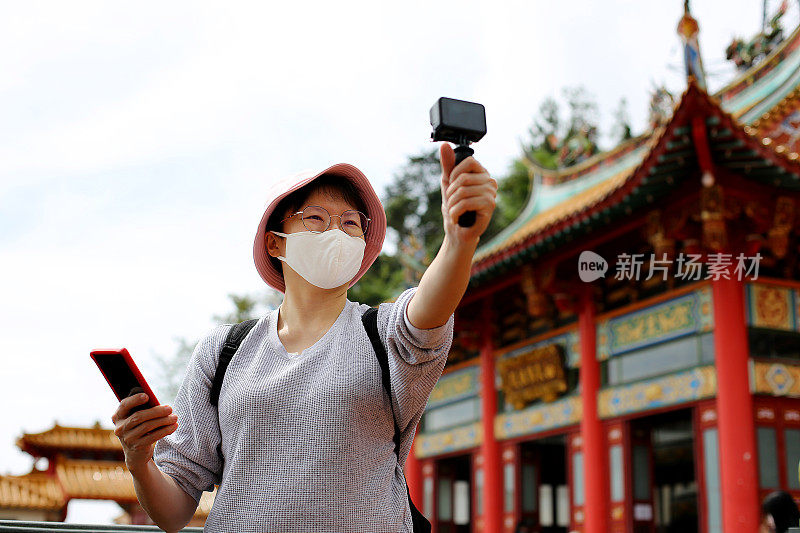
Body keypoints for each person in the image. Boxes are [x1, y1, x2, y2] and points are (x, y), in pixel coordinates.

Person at [110, 143, 497, 532]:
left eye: (350, 223)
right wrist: (140, 462)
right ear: (274, 241)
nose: (336, 232)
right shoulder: (224, 351)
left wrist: (458, 240)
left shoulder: (383, 335)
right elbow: (174, 511)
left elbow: (430, 308)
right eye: (315, 217)